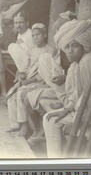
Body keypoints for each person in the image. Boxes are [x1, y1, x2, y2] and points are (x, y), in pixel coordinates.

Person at [42, 19, 91, 158]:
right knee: (49, 119)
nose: (69, 51)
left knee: (51, 122)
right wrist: (66, 109)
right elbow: (75, 97)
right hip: (79, 112)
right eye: (66, 47)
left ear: (84, 46)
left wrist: (75, 121)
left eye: (74, 46)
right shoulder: (74, 65)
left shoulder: (88, 60)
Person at [24, 11, 74, 145]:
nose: (58, 34)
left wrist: (64, 77)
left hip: (69, 93)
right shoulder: (61, 49)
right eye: (57, 31)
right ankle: (39, 131)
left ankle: (45, 133)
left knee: (34, 98)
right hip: (58, 88)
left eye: (60, 30)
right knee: (28, 97)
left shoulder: (74, 48)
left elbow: (74, 75)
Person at [6, 23, 51, 137]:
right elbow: (26, 65)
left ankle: (24, 125)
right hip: (29, 79)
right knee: (11, 93)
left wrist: (29, 81)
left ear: (44, 35)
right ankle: (15, 124)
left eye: (38, 35)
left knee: (21, 93)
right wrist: (22, 74)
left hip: (40, 82)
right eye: (33, 35)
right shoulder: (32, 49)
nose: (35, 37)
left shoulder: (49, 51)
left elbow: (45, 73)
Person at [8, 11, 34, 80]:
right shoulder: (20, 34)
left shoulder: (30, 34)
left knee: (12, 46)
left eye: (21, 22)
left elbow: (31, 55)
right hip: (23, 68)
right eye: (16, 23)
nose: (18, 25)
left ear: (27, 23)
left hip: (31, 68)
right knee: (12, 46)